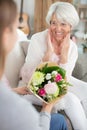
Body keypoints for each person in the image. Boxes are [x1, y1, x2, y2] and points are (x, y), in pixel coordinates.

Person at [0, 0, 68, 130]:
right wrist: (47, 108)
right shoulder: (20, 111)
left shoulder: (71, 48)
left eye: (63, 24)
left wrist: (14, 91)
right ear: (5, 35)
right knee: (59, 120)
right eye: (15, 28)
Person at [19, 2, 87, 130]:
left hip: (57, 83)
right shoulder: (37, 39)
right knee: (72, 100)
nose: (57, 28)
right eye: (53, 22)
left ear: (71, 26)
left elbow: (63, 80)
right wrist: (48, 55)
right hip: (34, 88)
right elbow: (32, 79)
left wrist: (64, 57)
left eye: (63, 24)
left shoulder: (71, 47)